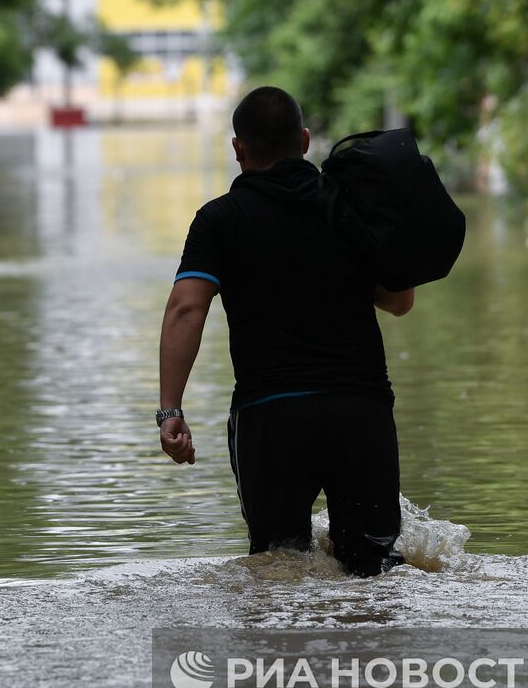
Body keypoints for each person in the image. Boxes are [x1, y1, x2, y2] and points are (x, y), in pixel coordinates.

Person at [156, 86, 415, 577]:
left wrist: (171, 410)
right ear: (305, 141)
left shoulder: (219, 220)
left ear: (238, 148)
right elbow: (400, 302)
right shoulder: (348, 209)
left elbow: (186, 309)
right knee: (374, 568)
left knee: (279, 568)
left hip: (270, 416)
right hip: (360, 409)